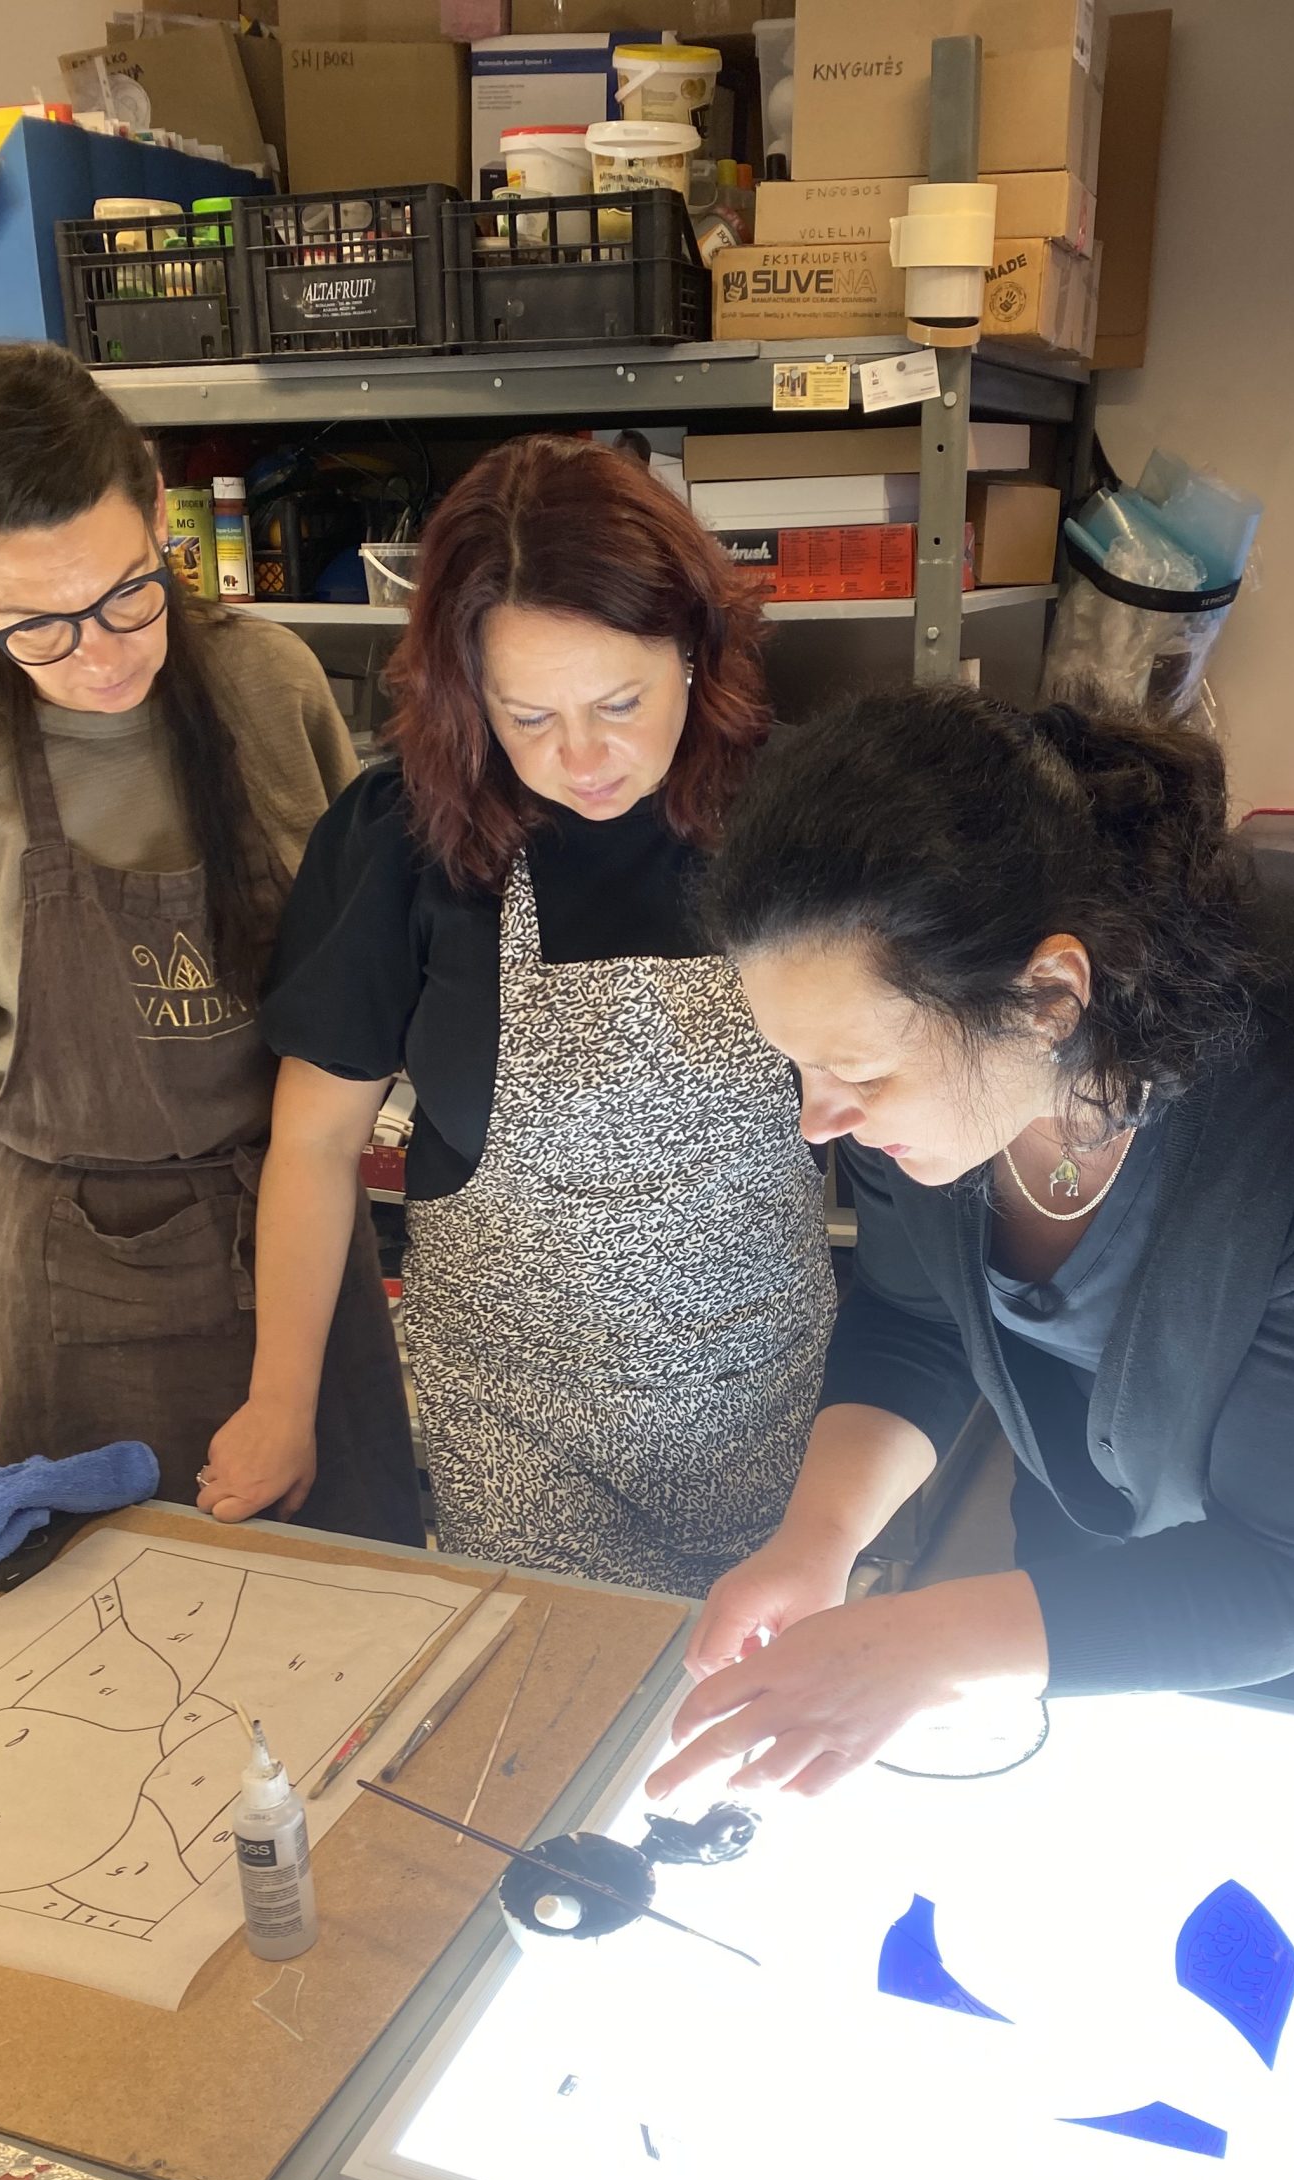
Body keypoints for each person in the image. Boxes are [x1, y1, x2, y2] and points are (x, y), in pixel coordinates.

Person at [649, 686, 1294, 1798]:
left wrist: (915, 1644)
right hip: (1110, 1441)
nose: (818, 1119)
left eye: (857, 1072)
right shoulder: (917, 1067)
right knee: (1095, 1718)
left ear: (1049, 999)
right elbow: (916, 1322)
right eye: (802, 1065)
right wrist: (817, 1542)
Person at [201, 435, 835, 1592]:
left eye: (619, 703)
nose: (581, 757)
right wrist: (279, 1399)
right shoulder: (405, 840)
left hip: (773, 1414)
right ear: (468, 696)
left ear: (694, 648)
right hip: (516, 1426)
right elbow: (317, 1141)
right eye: (526, 716)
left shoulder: (809, 818)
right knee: (557, 1690)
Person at [0, 340, 420, 1542]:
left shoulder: (268, 680)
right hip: (79, 1260)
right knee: (117, 1590)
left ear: (158, 513)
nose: (100, 656)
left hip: (301, 1218)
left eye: (126, 595)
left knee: (359, 1578)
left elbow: (352, 949)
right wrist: (98, 1153)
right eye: (37, 628)